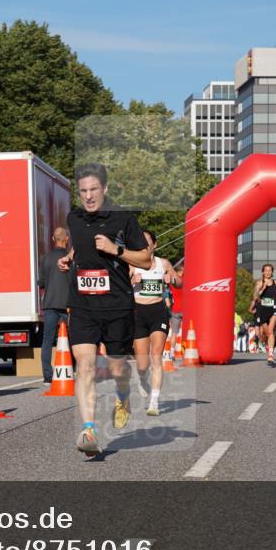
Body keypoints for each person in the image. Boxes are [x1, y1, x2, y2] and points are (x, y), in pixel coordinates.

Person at [58, 163, 151, 457]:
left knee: (117, 368)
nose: (88, 196)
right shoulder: (74, 218)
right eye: (83, 191)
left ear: (105, 189)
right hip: (83, 305)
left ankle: (123, 395)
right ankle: (89, 430)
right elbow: (80, 245)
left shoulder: (123, 219)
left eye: (93, 190)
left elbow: (146, 261)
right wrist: (69, 258)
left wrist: (116, 250)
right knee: (84, 366)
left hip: (117, 305)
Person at [131, 229, 179, 416]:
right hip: (138, 314)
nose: (143, 245)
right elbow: (120, 288)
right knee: (142, 364)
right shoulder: (132, 265)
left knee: (156, 356)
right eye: (139, 242)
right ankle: (142, 378)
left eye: (146, 242)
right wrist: (131, 280)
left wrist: (172, 279)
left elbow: (180, 281)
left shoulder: (163, 263)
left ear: (154, 245)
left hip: (158, 312)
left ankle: (154, 402)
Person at [39, 227, 71, 386]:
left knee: (47, 340)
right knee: (74, 338)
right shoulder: (70, 258)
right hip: (69, 304)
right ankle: (71, 370)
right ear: (67, 239)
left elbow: (42, 283)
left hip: (50, 303)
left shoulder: (46, 258)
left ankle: (47, 375)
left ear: (53, 239)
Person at [249, 264, 276, 366]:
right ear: (262, 272)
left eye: (270, 270)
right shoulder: (259, 282)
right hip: (262, 310)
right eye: (266, 271)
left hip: (273, 309)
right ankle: (268, 347)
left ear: (272, 272)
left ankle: (270, 354)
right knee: (266, 334)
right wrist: (262, 288)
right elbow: (255, 296)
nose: (268, 272)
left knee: (270, 331)